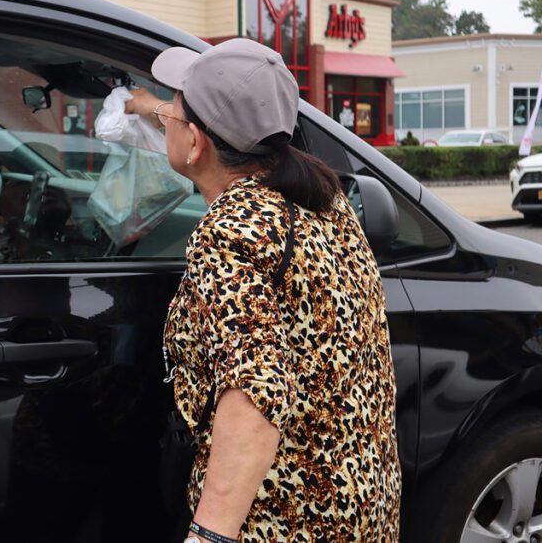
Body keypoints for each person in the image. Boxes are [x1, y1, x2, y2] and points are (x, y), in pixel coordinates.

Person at [125, 38, 401, 542]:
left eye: (174, 113)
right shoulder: (324, 198)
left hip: (284, 520)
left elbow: (255, 391)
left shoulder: (230, 230)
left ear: (195, 144)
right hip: (363, 504)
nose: (167, 117)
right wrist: (152, 108)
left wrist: (209, 536)